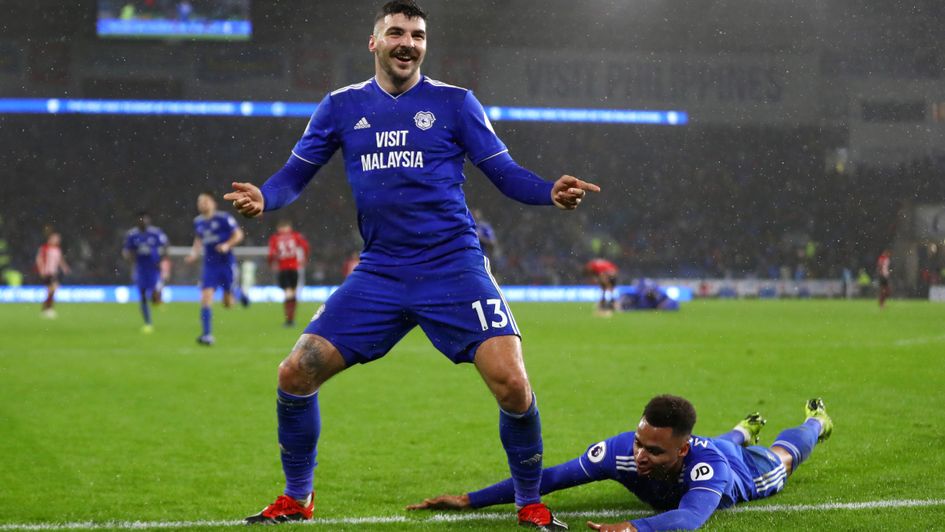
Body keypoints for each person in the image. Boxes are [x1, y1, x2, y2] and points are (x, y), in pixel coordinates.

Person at [223, 1, 599, 527]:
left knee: (513, 384)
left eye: (418, 35)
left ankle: (530, 502)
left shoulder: (455, 103)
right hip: (380, 270)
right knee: (296, 372)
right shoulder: (340, 106)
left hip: (452, 266)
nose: (408, 43)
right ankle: (297, 497)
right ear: (374, 42)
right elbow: (295, 173)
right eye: (397, 33)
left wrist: (548, 191)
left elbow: (504, 172)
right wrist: (266, 196)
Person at [409, 394, 834, 532]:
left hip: (742, 471)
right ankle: (742, 428)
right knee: (722, 442)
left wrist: (633, 528)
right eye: (638, 443)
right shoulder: (621, 452)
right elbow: (550, 477)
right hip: (705, 449)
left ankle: (816, 423)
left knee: (781, 458)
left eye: (653, 452)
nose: (640, 455)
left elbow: (689, 518)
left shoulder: (709, 469)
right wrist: (471, 499)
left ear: (680, 451)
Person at [185, 192, 245, 346]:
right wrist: (193, 254)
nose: (202, 204)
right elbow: (198, 240)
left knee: (228, 304)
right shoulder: (198, 222)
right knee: (205, 298)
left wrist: (227, 245)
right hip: (210, 265)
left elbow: (238, 234)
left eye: (205, 201)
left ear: (213, 203)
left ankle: (239, 292)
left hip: (226, 263)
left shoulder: (224, 218)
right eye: (200, 201)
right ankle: (207, 335)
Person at [122, 211, 169, 333]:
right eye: (141, 219)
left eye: (145, 218)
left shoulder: (156, 233)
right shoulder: (132, 235)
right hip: (141, 269)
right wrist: (129, 258)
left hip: (154, 268)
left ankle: (157, 299)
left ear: (149, 220)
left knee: (154, 294)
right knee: (143, 295)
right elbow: (127, 250)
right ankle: (148, 323)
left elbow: (165, 246)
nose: (143, 221)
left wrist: (161, 260)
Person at [268, 220, 311, 327]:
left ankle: (289, 320)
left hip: (283, 268)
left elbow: (271, 253)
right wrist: (305, 259)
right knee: (293, 292)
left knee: (288, 293)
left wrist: (271, 263)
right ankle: (291, 319)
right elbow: (306, 246)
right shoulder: (295, 236)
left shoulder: (275, 238)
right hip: (294, 268)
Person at [35, 232, 70, 318]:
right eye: (55, 238)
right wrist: (41, 270)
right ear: (50, 239)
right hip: (47, 272)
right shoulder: (45, 248)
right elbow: (39, 259)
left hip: (54, 272)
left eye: (58, 239)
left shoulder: (57, 249)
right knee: (53, 289)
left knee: (52, 290)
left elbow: (60, 260)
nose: (57, 240)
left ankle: (46, 309)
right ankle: (48, 309)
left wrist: (64, 267)